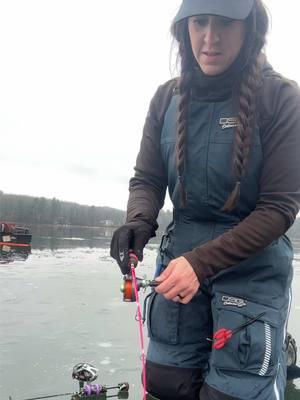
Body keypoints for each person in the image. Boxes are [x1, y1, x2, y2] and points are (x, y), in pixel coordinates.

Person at [110, 0, 300, 399]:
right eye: (199, 23)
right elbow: (146, 178)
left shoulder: (281, 98)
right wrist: (138, 222)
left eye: (224, 25)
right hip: (178, 266)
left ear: (250, 29)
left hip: (254, 270)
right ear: (184, 28)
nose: (209, 39)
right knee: (165, 383)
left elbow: (279, 208)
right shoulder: (166, 99)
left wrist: (200, 263)